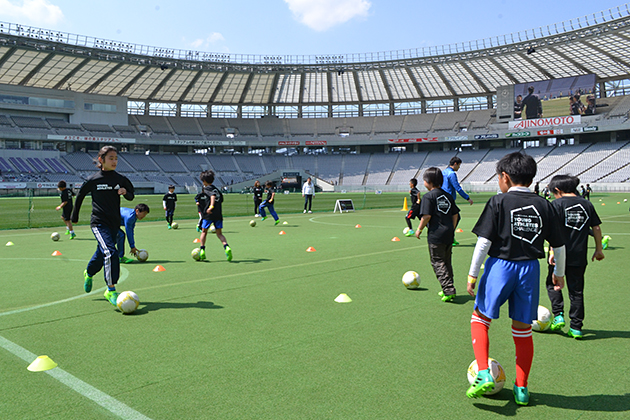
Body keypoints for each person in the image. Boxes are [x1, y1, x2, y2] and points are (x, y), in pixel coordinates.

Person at [465, 151, 566, 405]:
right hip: (530, 269)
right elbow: (559, 246)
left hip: (500, 266)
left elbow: (483, 242)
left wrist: (472, 273)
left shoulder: (498, 201)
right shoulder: (545, 204)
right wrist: (559, 274)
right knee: (522, 330)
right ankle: (522, 388)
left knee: (480, 318)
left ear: (505, 177)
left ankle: (484, 373)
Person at [71, 146, 135, 307]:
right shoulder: (94, 180)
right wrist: (74, 215)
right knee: (110, 252)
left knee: (101, 253)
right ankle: (111, 289)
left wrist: (125, 192)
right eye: (111, 158)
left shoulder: (120, 178)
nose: (114, 161)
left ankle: (89, 272)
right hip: (99, 223)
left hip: (114, 223)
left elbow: (131, 194)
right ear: (101, 160)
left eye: (116, 158)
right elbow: (80, 195)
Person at [545, 175, 604, 339]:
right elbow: (596, 228)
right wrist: (598, 249)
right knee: (576, 291)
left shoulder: (556, 204)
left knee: (553, 283)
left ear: (558, 190)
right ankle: (576, 327)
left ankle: (558, 315)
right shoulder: (587, 204)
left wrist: (551, 252)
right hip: (579, 255)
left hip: (559, 254)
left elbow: (552, 231)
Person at [415, 168, 459, 302]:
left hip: (436, 235)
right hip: (448, 234)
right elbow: (455, 214)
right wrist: (452, 228)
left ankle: (448, 289)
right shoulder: (448, 195)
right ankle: (449, 286)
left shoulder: (428, 197)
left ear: (428, 182)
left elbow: (427, 216)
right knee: (446, 261)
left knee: (437, 262)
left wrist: (419, 229)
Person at [196, 170, 232, 262]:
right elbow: (221, 199)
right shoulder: (216, 189)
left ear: (204, 181)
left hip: (209, 214)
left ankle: (202, 250)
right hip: (218, 214)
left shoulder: (207, 189)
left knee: (204, 232)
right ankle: (226, 246)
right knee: (219, 233)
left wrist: (211, 207)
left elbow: (212, 196)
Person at [442, 156, 473, 245]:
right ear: (455, 164)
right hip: (450, 200)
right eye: (459, 165)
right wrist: (467, 198)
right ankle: (450, 237)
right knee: (456, 217)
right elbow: (457, 188)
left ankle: (449, 237)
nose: (459, 167)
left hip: (443, 198)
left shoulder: (443, 172)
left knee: (446, 219)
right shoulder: (451, 174)